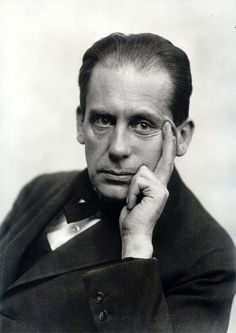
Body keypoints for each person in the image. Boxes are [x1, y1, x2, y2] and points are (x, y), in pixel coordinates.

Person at [0, 33, 235, 333]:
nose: (117, 148)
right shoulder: (40, 190)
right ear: (80, 123)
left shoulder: (208, 258)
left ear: (181, 137)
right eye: (103, 120)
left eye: (142, 124)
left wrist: (136, 247)